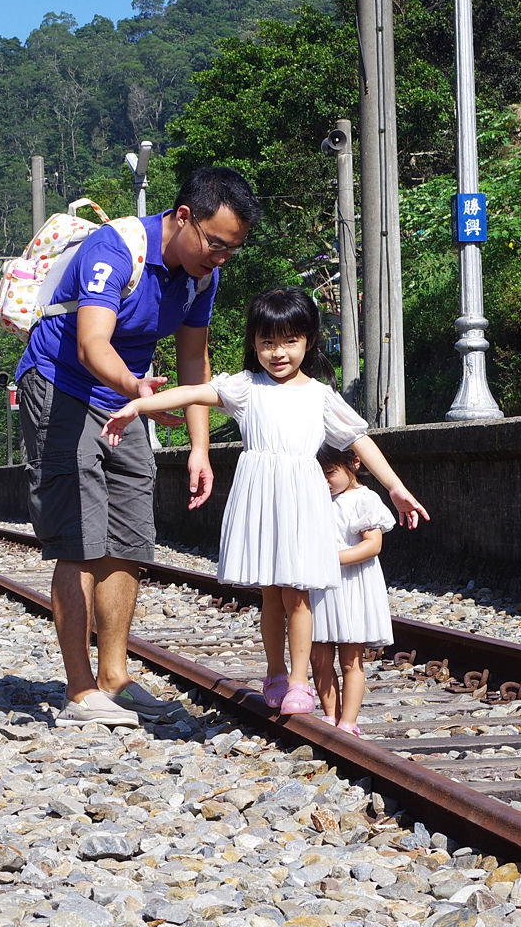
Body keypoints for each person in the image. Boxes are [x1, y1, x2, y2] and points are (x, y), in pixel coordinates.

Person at [102, 287, 429, 717]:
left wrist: (395, 487)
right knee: (272, 593)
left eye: (290, 341)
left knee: (299, 592)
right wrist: (138, 406)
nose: (278, 353)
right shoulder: (246, 388)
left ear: (309, 342)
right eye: (267, 342)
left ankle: (298, 682)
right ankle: (275, 672)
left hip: (301, 499)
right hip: (261, 498)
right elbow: (191, 393)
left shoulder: (319, 395)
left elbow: (359, 440)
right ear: (253, 343)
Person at [16, 166, 263, 728]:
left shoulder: (202, 276)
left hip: (127, 398)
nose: (220, 258)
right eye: (215, 244)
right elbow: (91, 342)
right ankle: (80, 691)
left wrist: (200, 447)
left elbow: (194, 362)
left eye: (231, 250)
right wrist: (138, 390)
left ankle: (116, 677)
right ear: (183, 218)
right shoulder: (115, 248)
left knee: (128, 537)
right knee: (79, 535)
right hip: (63, 385)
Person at [308, 445, 397, 737]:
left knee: (351, 657)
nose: (325, 481)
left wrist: (330, 558)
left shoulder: (364, 499)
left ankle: (348, 720)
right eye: (319, 475)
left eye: (330, 473)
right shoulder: (317, 498)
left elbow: (373, 545)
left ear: (354, 463)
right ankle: (330, 715)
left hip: (351, 583)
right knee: (318, 655)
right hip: (321, 586)